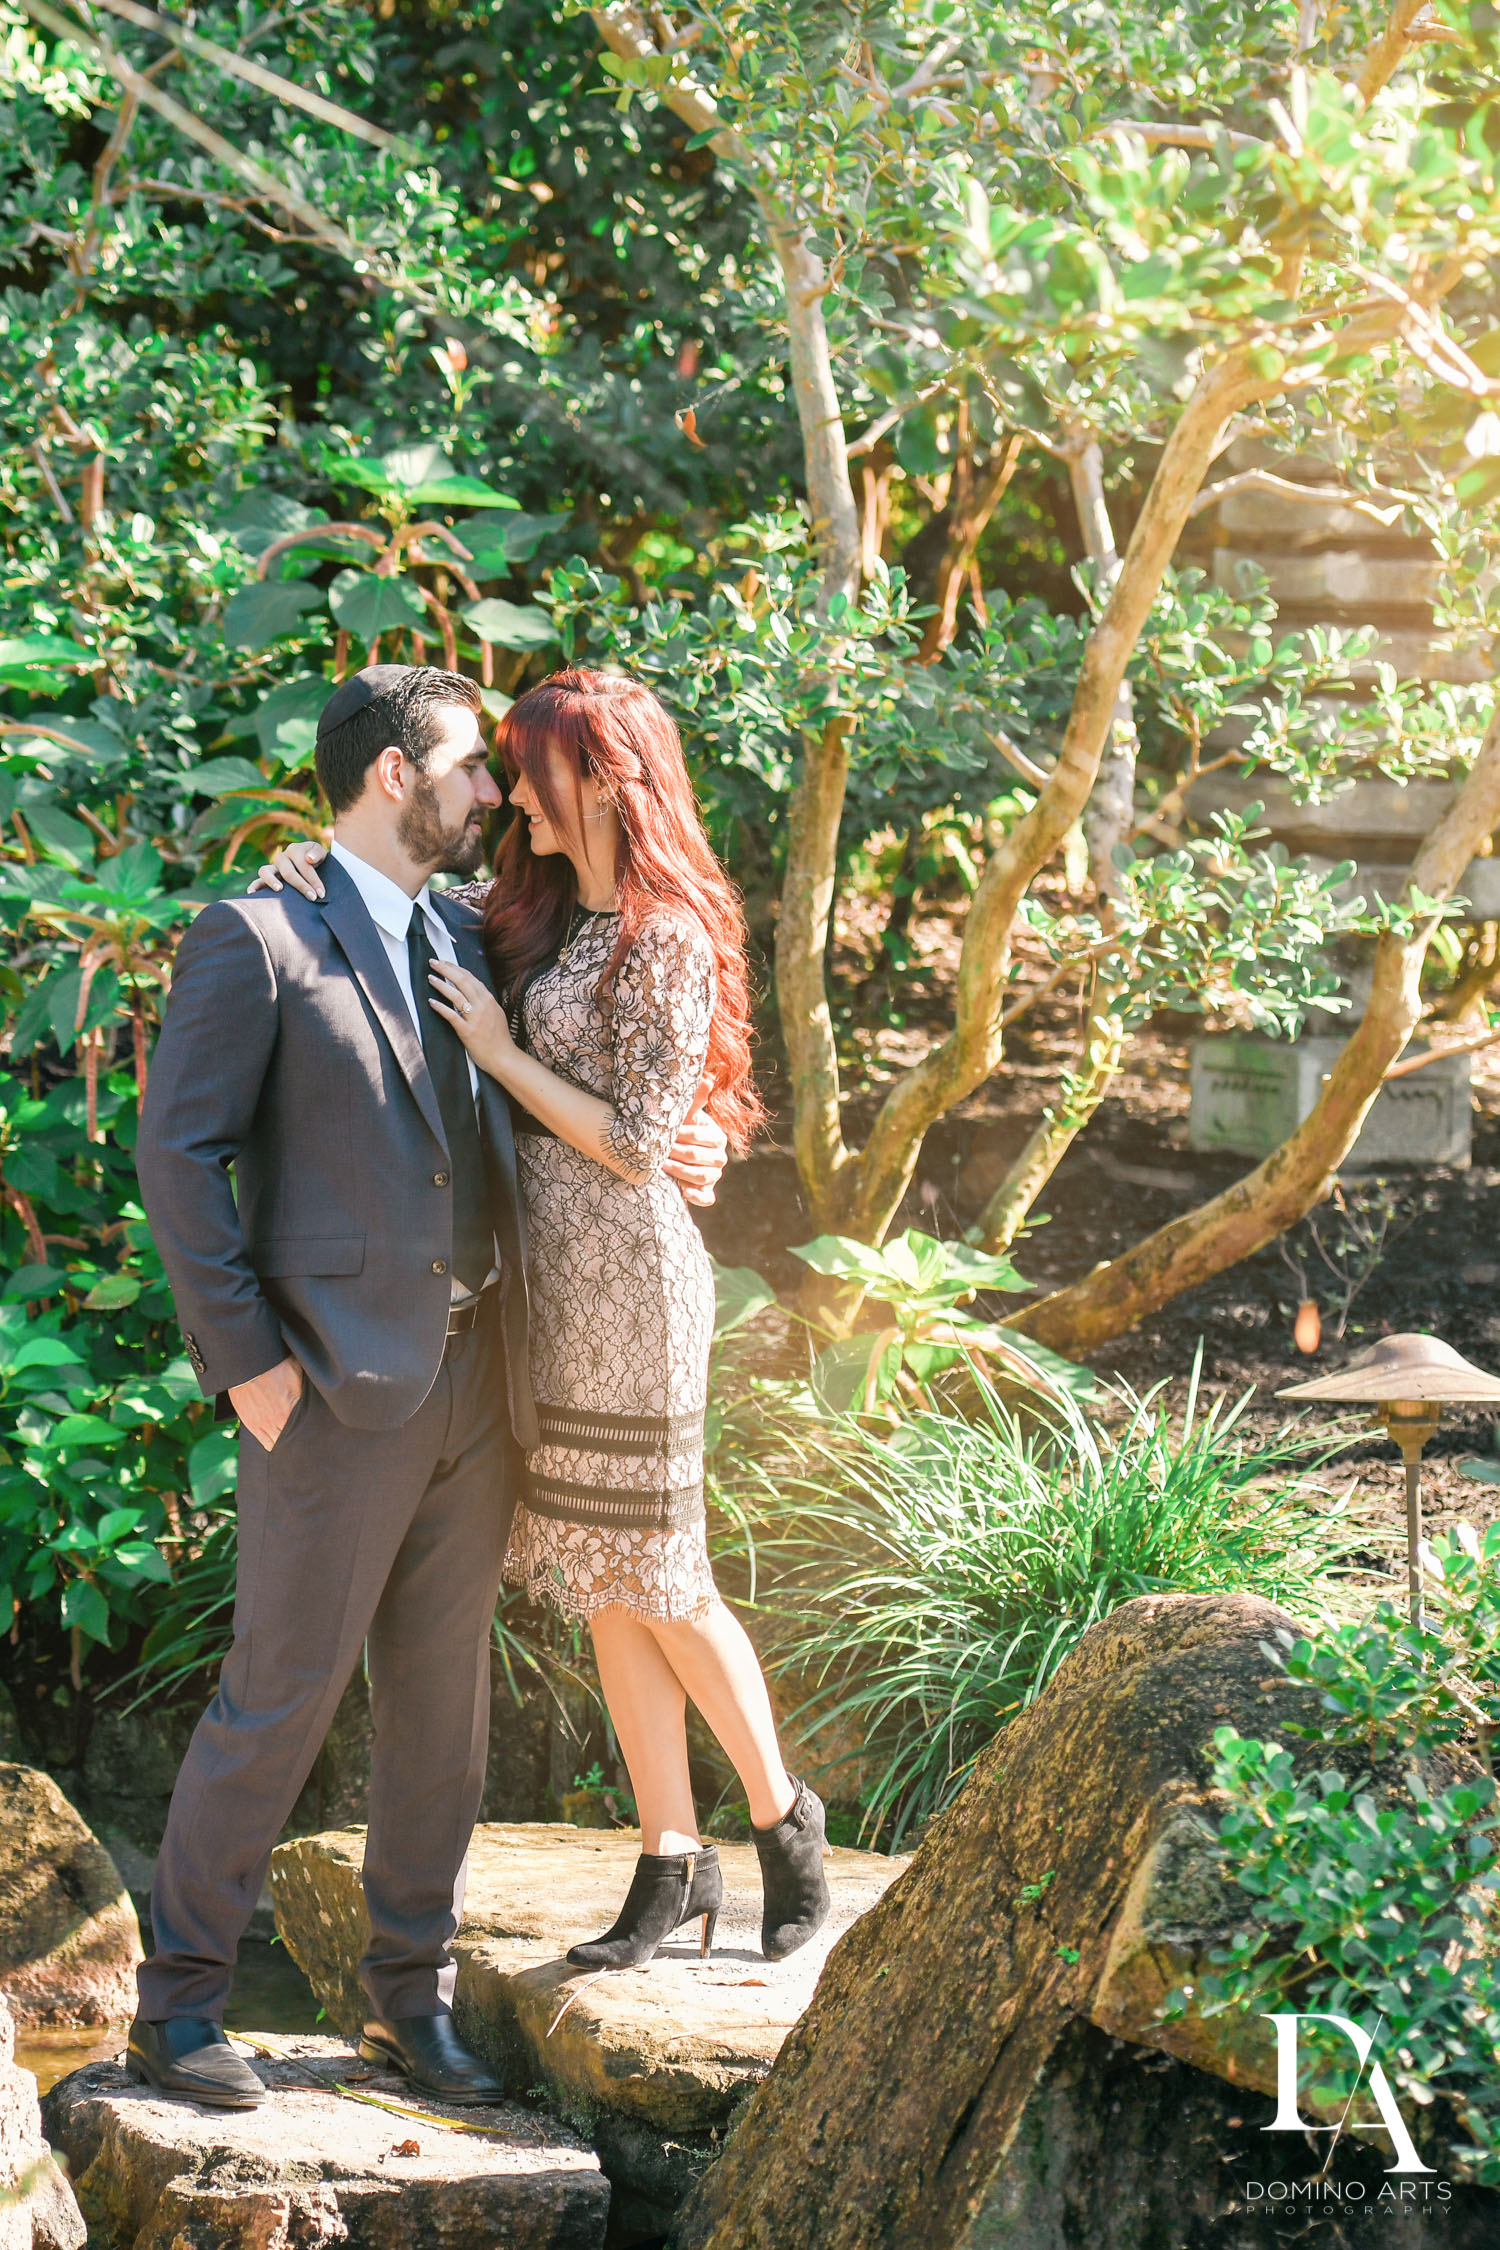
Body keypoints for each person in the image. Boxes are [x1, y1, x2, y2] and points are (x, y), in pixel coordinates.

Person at [130, 663, 727, 2111]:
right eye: (469, 767)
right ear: (394, 776)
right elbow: (177, 1157)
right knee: (275, 1698)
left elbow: (613, 1055)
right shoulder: (255, 934)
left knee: (442, 1716)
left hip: (483, 1387)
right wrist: (252, 1373)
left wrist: (698, 1142)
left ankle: (411, 2000)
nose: (493, 794)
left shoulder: (485, 932)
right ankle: (178, 2007)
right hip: (327, 1397)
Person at [257, 667, 832, 1975]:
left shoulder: (670, 935)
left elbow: (637, 1142)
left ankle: (783, 1815)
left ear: (603, 777)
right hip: (550, 1295)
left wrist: (503, 1056)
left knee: (667, 1575)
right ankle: (668, 1859)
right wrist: (314, 861)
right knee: (601, 1588)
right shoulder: (534, 911)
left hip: (635, 1289)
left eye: (532, 766)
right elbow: (401, 900)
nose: (510, 788)